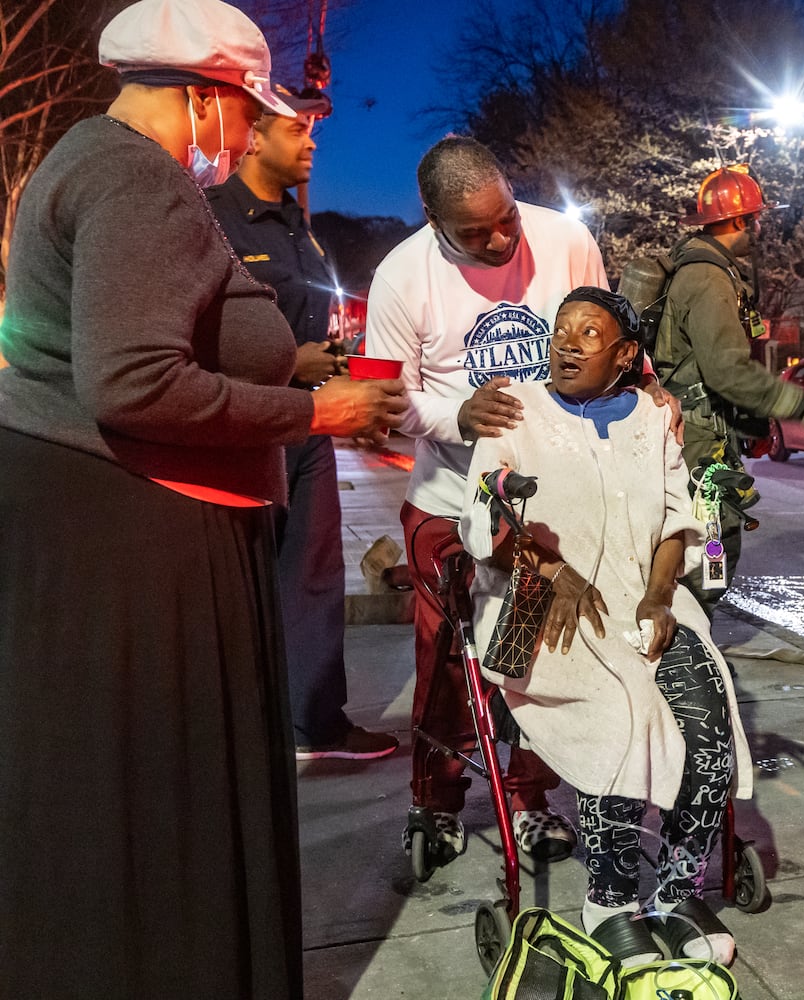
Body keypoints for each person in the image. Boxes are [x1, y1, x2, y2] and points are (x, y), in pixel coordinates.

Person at [0, 1, 404, 996]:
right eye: (244, 107)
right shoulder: (141, 179)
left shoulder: (89, 158)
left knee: (107, 798)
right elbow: (134, 381)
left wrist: (289, 364)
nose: (248, 130)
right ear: (203, 99)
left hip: (103, 515)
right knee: (158, 794)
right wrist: (317, 412)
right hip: (132, 531)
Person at [459, 287, 751, 967]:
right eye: (561, 330)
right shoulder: (515, 410)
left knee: (708, 730)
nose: (566, 343)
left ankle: (678, 894)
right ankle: (610, 901)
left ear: (624, 354)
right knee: (621, 720)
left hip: (644, 601)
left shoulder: (651, 417)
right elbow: (481, 520)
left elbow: (679, 520)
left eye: (588, 334)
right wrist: (553, 570)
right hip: (541, 610)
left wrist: (657, 598)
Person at [365, 136, 618, 866]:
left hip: (546, 504)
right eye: (476, 233)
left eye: (505, 217)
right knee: (447, 658)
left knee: (534, 654)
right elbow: (381, 397)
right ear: (432, 217)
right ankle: (435, 802)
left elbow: (608, 345)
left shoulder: (566, 241)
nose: (502, 238)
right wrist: (455, 417)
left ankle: (528, 798)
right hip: (447, 499)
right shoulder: (399, 275)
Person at [207, 84, 398, 761]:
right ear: (254, 137)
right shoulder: (214, 219)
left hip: (310, 426)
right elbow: (204, 334)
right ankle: (236, 726)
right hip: (250, 426)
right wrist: (292, 360)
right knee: (240, 580)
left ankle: (313, 726)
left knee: (313, 576)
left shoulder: (298, 225)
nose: (311, 142)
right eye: (296, 131)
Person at [652, 165, 804, 617]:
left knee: (698, 552)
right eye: (754, 218)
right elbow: (726, 371)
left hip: (698, 429)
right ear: (736, 222)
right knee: (709, 554)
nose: (758, 227)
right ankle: (688, 661)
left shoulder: (698, 267)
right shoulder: (709, 279)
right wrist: (798, 405)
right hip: (700, 442)